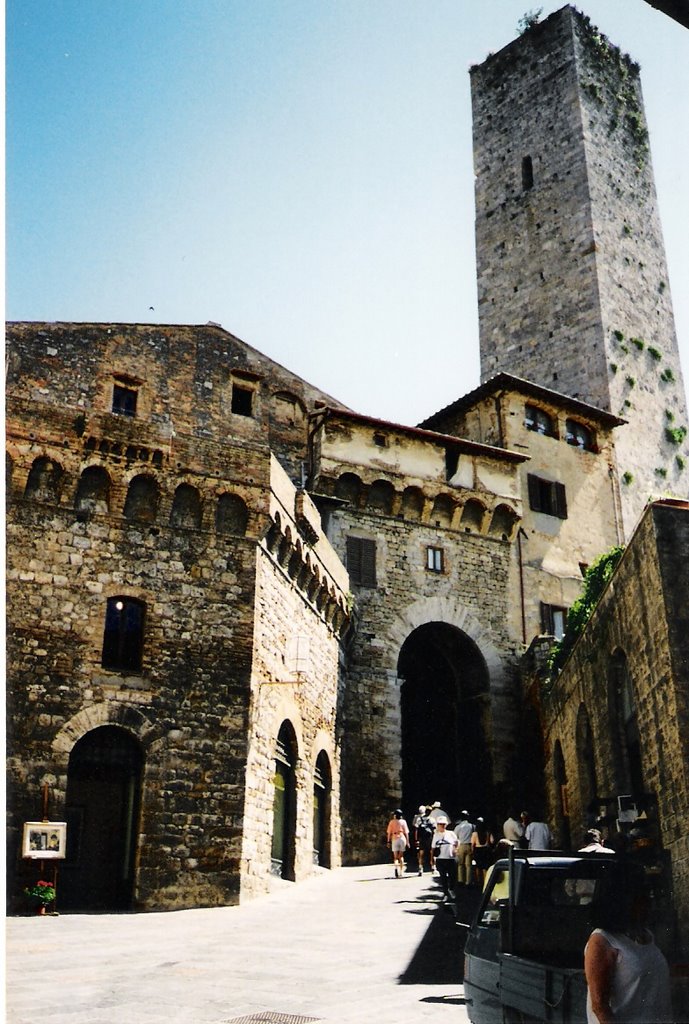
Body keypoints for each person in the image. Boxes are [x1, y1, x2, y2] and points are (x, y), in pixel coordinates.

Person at [584, 879, 672, 1023]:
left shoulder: (646, 935)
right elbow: (600, 1007)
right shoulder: (602, 941)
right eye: (641, 900)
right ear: (623, 902)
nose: (648, 905)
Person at [431, 816, 458, 900]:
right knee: (443, 877)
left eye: (443, 824)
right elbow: (433, 848)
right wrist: (431, 859)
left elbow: (457, 842)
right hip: (440, 858)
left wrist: (455, 849)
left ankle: (451, 890)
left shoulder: (451, 833)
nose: (442, 826)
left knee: (452, 876)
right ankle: (446, 893)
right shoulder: (436, 835)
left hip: (450, 858)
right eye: (440, 824)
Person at [470, 817, 495, 888]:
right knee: (485, 867)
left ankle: (479, 881)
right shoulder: (487, 832)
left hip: (478, 850)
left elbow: (472, 843)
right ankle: (485, 881)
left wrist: (472, 852)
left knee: (478, 867)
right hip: (486, 850)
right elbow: (492, 841)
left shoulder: (475, 833)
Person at [386, 808, 410, 878]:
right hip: (402, 837)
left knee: (395, 857)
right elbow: (406, 832)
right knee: (401, 856)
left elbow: (389, 833)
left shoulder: (392, 822)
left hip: (394, 838)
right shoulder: (403, 822)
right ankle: (401, 872)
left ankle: (396, 868)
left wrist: (388, 841)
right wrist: (408, 841)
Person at [413, 805, 435, 875]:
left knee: (421, 854)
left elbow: (416, 830)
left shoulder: (419, 819)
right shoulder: (432, 820)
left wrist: (416, 839)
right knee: (432, 853)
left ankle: (420, 868)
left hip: (422, 839)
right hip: (430, 839)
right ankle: (433, 867)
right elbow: (434, 830)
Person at [454, 810, 474, 886]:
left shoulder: (458, 827)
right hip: (469, 845)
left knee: (460, 864)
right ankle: (468, 881)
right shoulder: (472, 826)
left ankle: (461, 880)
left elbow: (455, 837)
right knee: (469, 865)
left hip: (461, 845)